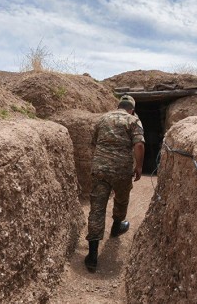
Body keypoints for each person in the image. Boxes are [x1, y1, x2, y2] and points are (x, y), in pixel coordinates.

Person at [84, 94, 145, 272]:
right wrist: (139, 167)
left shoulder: (102, 119)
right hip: (122, 170)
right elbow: (139, 145)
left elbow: (94, 143)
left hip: (101, 169)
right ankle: (117, 227)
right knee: (121, 199)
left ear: (118, 106)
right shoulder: (133, 121)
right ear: (131, 109)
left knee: (97, 208)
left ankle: (92, 256)